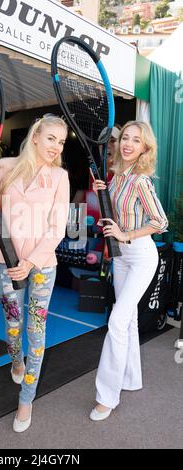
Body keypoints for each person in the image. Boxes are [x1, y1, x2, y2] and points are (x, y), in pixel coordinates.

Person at [0, 114, 70, 432]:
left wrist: (31, 261)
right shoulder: (6, 168)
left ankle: (26, 399)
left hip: (41, 268)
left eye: (62, 141)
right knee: (13, 328)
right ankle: (15, 361)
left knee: (35, 333)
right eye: (51, 138)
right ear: (36, 135)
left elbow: (57, 227)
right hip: (5, 261)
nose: (56, 146)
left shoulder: (60, 177)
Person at [90, 120, 168, 421]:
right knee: (129, 320)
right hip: (121, 257)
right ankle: (131, 378)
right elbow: (118, 214)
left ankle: (107, 397)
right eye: (125, 138)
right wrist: (103, 190)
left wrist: (124, 235)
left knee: (118, 321)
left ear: (144, 148)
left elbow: (160, 222)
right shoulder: (117, 177)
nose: (128, 144)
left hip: (142, 257)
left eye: (136, 140)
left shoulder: (139, 180)